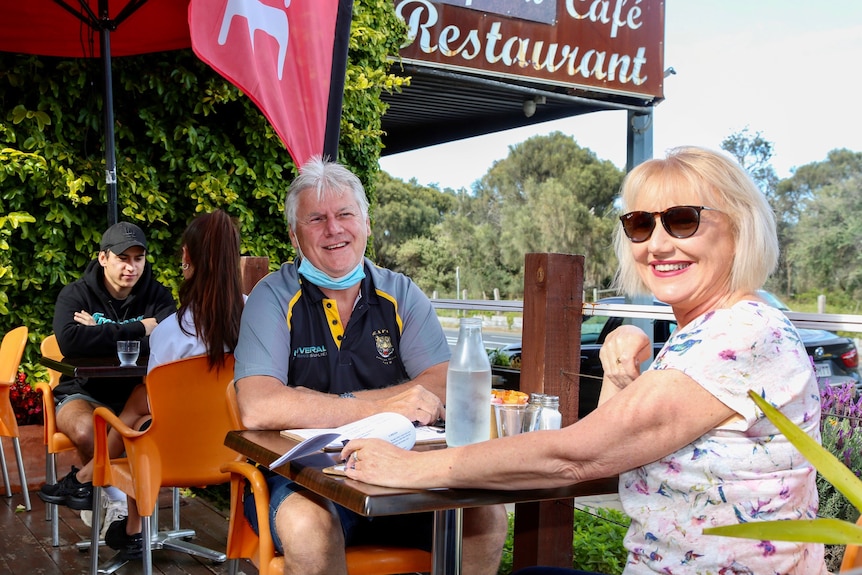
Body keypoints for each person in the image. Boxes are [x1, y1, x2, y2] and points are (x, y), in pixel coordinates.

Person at [340, 147, 828, 575]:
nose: (657, 244)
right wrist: (621, 366)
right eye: (641, 224)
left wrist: (411, 469)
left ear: (739, 229)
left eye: (683, 219)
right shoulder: (700, 333)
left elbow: (576, 456)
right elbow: (613, 451)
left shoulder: (743, 333)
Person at [233, 156, 508, 575]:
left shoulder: (401, 292)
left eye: (345, 214)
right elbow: (258, 405)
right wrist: (386, 405)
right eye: (316, 219)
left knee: (484, 517)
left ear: (365, 222)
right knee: (309, 528)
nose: (334, 229)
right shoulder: (272, 296)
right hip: (298, 476)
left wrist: (313, 402)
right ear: (294, 235)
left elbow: (440, 381)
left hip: (396, 470)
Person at [94, 210, 246, 560]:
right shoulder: (256, 317)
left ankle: (133, 527)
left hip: (170, 458)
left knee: (141, 423)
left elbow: (160, 408)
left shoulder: (170, 331)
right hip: (237, 454)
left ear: (186, 259)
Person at [38, 222, 175, 521]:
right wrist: (139, 328)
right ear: (103, 258)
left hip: (137, 397)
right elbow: (72, 342)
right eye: (123, 258)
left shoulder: (159, 296)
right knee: (88, 431)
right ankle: (114, 504)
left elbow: (167, 340)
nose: (132, 267)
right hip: (81, 391)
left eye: (138, 258)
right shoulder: (75, 294)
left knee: (145, 433)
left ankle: (95, 492)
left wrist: (99, 333)